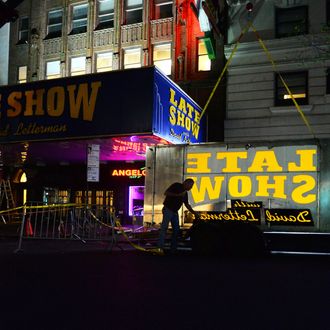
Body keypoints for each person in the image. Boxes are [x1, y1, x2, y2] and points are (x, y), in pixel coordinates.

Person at [158, 178, 198, 253]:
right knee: (164, 228)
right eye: (191, 185)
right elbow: (166, 193)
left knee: (176, 230)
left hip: (174, 211)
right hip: (168, 209)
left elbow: (186, 204)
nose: (191, 188)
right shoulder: (177, 186)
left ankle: (173, 249)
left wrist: (194, 213)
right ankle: (160, 247)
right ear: (186, 183)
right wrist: (178, 195)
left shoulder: (185, 193)